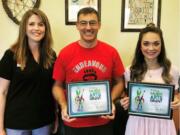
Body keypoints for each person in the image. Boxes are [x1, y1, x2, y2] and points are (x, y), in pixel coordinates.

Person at [52, 7, 125, 135]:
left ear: (99, 25)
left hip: (103, 121)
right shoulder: (65, 53)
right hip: (74, 122)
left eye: (92, 22)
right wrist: (64, 106)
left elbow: (120, 83)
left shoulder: (111, 52)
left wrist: (110, 101)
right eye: (83, 23)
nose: (88, 27)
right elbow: (56, 86)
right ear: (77, 26)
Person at [0, 9, 56, 135]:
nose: (36, 28)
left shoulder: (51, 56)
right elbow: (1, 92)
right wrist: (0, 128)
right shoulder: (11, 55)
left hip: (44, 121)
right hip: (16, 123)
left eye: (41, 24)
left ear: (46, 29)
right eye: (31, 24)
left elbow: (53, 88)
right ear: (24, 28)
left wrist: (56, 116)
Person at [120, 23, 180, 135]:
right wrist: (125, 102)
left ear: (161, 45)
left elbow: (175, 96)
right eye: (146, 44)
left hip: (163, 125)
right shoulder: (129, 71)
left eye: (156, 43)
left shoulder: (173, 70)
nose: (151, 48)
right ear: (140, 46)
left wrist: (177, 101)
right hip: (137, 124)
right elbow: (128, 98)